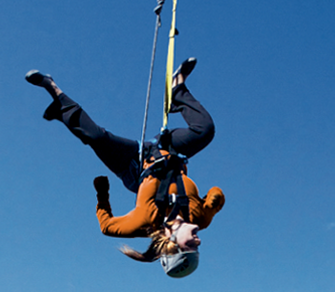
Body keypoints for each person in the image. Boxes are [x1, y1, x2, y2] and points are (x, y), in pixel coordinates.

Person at [26, 59, 225, 278]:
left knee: (96, 137)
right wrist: (214, 202)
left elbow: (107, 227)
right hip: (170, 151)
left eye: (191, 246)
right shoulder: (200, 218)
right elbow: (216, 193)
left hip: (134, 166)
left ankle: (54, 92)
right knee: (205, 130)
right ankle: (177, 89)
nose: (198, 242)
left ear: (172, 244)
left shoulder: (143, 222)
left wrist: (102, 194)